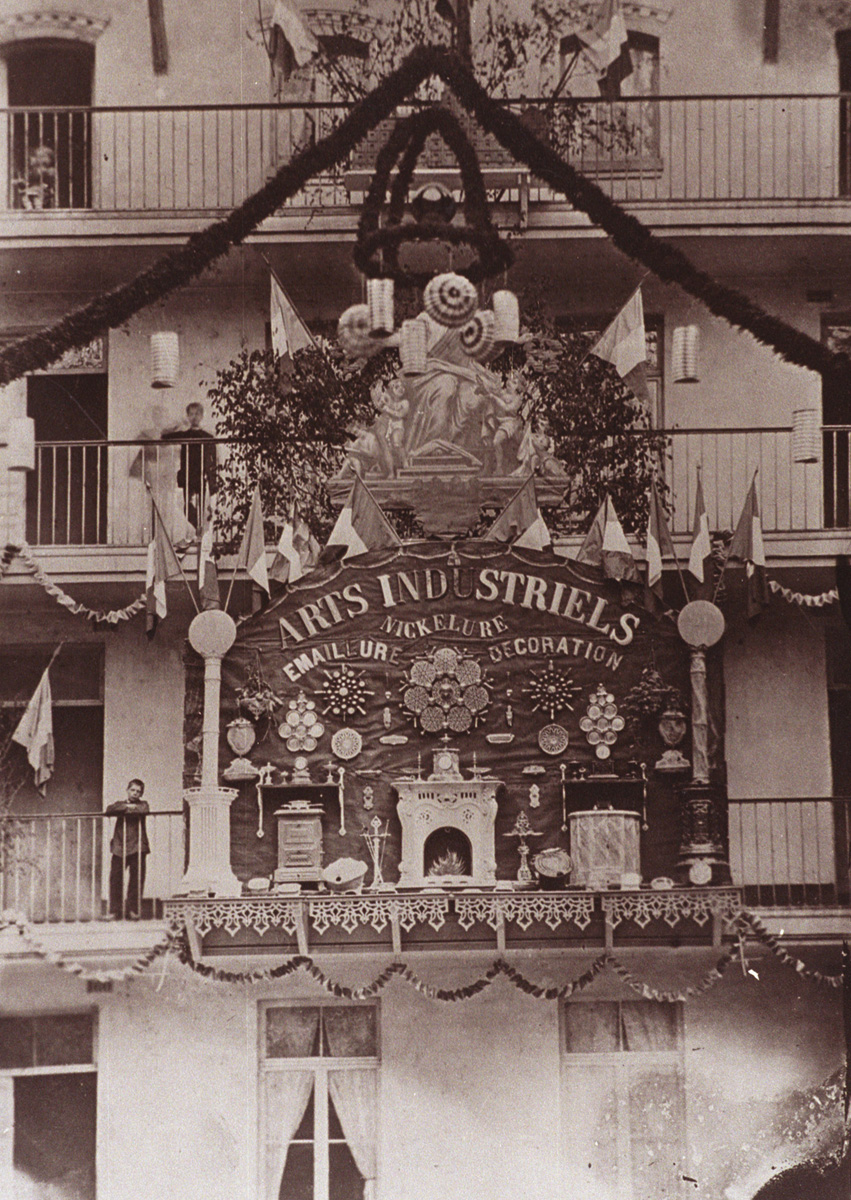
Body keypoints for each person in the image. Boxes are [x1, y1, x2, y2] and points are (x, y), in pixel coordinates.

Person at [162, 402, 217, 531]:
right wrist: (176, 427)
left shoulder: (207, 437)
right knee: (187, 505)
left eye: (197, 414)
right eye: (191, 414)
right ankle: (193, 529)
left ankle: (199, 530)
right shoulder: (185, 434)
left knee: (202, 506)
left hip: (201, 475)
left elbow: (212, 461)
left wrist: (212, 480)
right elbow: (165, 437)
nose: (194, 417)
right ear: (187, 416)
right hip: (187, 475)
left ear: (202, 415)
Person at [107, 779, 150, 920]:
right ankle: (115, 911)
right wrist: (129, 808)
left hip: (138, 847)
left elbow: (144, 810)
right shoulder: (119, 804)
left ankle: (133, 910)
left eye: (138, 791)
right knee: (115, 878)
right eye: (133, 790)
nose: (135, 793)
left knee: (136, 879)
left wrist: (127, 809)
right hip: (119, 846)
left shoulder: (143, 804)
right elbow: (110, 809)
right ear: (127, 790)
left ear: (141, 793)